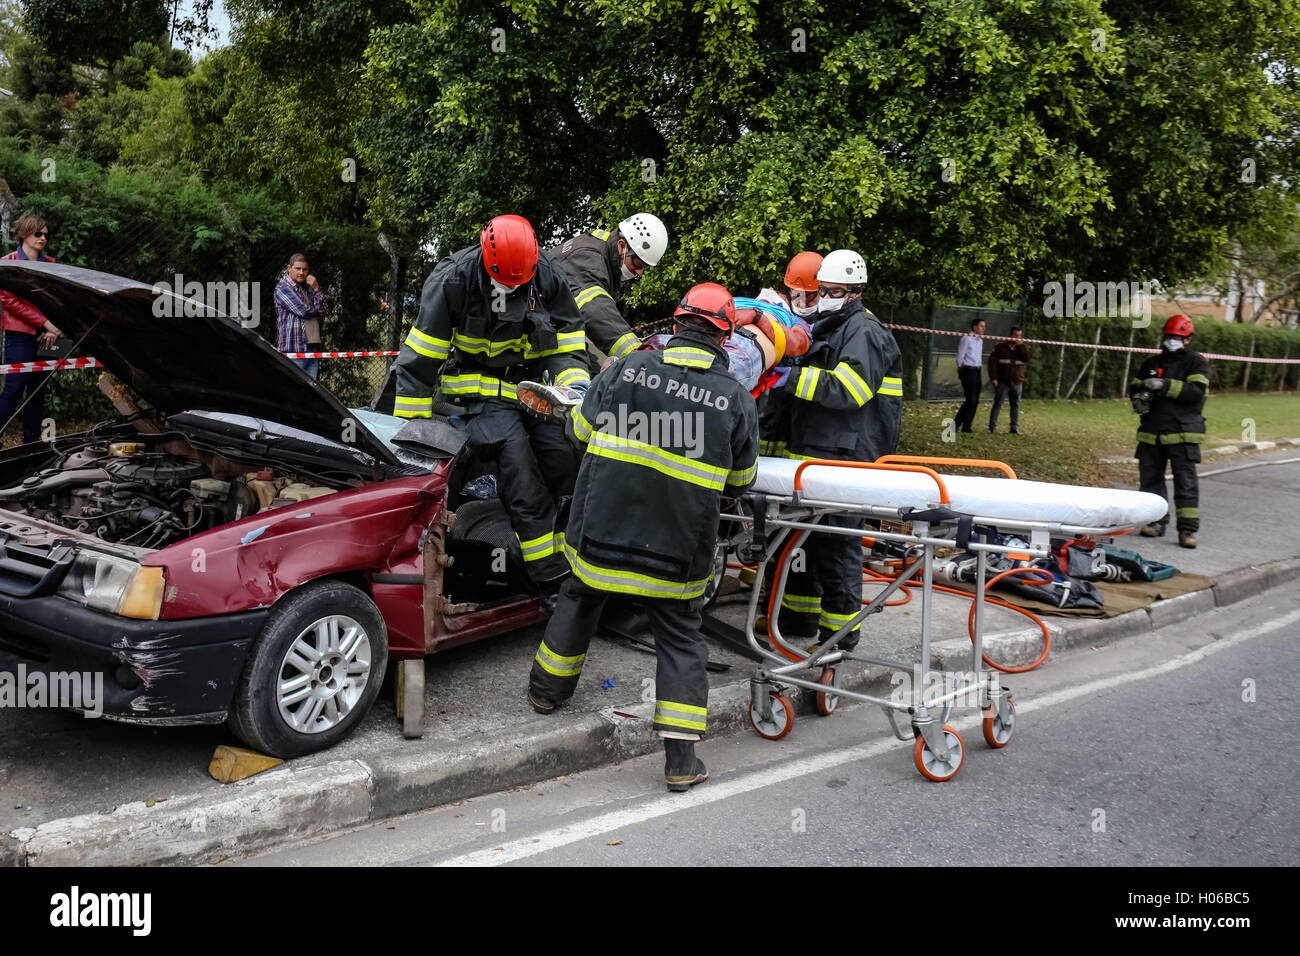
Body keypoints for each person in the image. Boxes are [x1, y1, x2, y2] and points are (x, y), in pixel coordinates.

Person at [527, 282, 758, 792]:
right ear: (725, 337)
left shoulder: (625, 370)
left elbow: (580, 434)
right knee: (679, 636)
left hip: (601, 533)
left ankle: (546, 693)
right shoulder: (734, 398)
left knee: (580, 598)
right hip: (676, 550)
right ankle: (680, 761)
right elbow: (741, 483)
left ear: (676, 326)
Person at [394, 214, 589, 595]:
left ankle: (574, 559)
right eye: (504, 282)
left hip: (535, 392)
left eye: (520, 283)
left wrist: (574, 387)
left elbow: (568, 341)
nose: (512, 290)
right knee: (522, 468)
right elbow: (419, 363)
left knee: (564, 456)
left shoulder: (547, 275)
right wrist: (412, 442)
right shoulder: (454, 279)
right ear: (486, 258)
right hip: (477, 399)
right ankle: (546, 579)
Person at [776, 249, 903, 650]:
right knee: (804, 540)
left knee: (836, 546)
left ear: (853, 292)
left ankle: (838, 639)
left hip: (849, 457)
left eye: (831, 291)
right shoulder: (829, 326)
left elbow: (851, 390)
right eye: (821, 290)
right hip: (819, 453)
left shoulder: (863, 332)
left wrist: (792, 379)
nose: (824, 296)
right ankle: (797, 619)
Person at [1128, 314, 1208, 549]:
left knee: (1186, 483)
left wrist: (1164, 385)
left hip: (1183, 433)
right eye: (1169, 336)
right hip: (1151, 432)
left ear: (1188, 339)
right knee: (1150, 482)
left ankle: (1187, 530)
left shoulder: (1196, 363)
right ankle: (1155, 522)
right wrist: (1138, 400)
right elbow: (1135, 387)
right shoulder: (1151, 364)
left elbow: (1196, 392)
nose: (1172, 340)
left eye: (1177, 337)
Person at [549, 212, 669, 362]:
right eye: (638, 264)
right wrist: (638, 356)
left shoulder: (602, 253)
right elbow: (597, 311)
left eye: (645, 267)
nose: (640, 272)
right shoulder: (589, 262)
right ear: (622, 246)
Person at [0, 214, 63, 444]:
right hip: (20, 334)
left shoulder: (52, 265)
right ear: (24, 233)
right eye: (38, 233)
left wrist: (53, 327)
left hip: (50, 334)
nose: (43, 238)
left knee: (38, 390)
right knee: (15, 387)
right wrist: (43, 323)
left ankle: (31, 442)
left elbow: (57, 298)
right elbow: (8, 301)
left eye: (46, 234)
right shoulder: (8, 262)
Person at [754, 251, 821, 456]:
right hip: (768, 405)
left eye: (808, 297)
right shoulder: (779, 311)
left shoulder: (829, 322)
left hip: (801, 412)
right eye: (796, 295)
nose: (801, 302)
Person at [274, 254, 327, 380]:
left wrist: (316, 289)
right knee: (291, 393)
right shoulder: (282, 288)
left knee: (309, 395)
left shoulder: (309, 289)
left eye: (305, 269)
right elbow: (304, 311)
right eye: (297, 269)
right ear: (289, 268)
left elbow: (323, 311)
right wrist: (316, 310)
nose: (301, 272)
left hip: (311, 351)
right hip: (293, 352)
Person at [987, 325, 1030, 434]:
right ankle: (992, 428)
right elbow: (992, 364)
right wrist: (994, 378)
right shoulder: (1000, 347)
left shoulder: (1022, 348)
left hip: (1017, 382)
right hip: (1002, 382)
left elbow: (1026, 358)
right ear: (1010, 335)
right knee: (997, 404)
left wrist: (1020, 346)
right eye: (1016, 335)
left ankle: (1014, 428)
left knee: (1015, 405)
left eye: (1020, 336)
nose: (1018, 338)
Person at [953, 317, 985, 433]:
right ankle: (956, 423)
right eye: (981, 326)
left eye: (984, 326)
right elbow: (960, 355)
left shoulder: (980, 341)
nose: (983, 329)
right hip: (968, 370)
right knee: (970, 399)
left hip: (977, 370)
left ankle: (967, 426)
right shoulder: (967, 339)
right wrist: (961, 369)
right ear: (974, 327)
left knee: (975, 400)